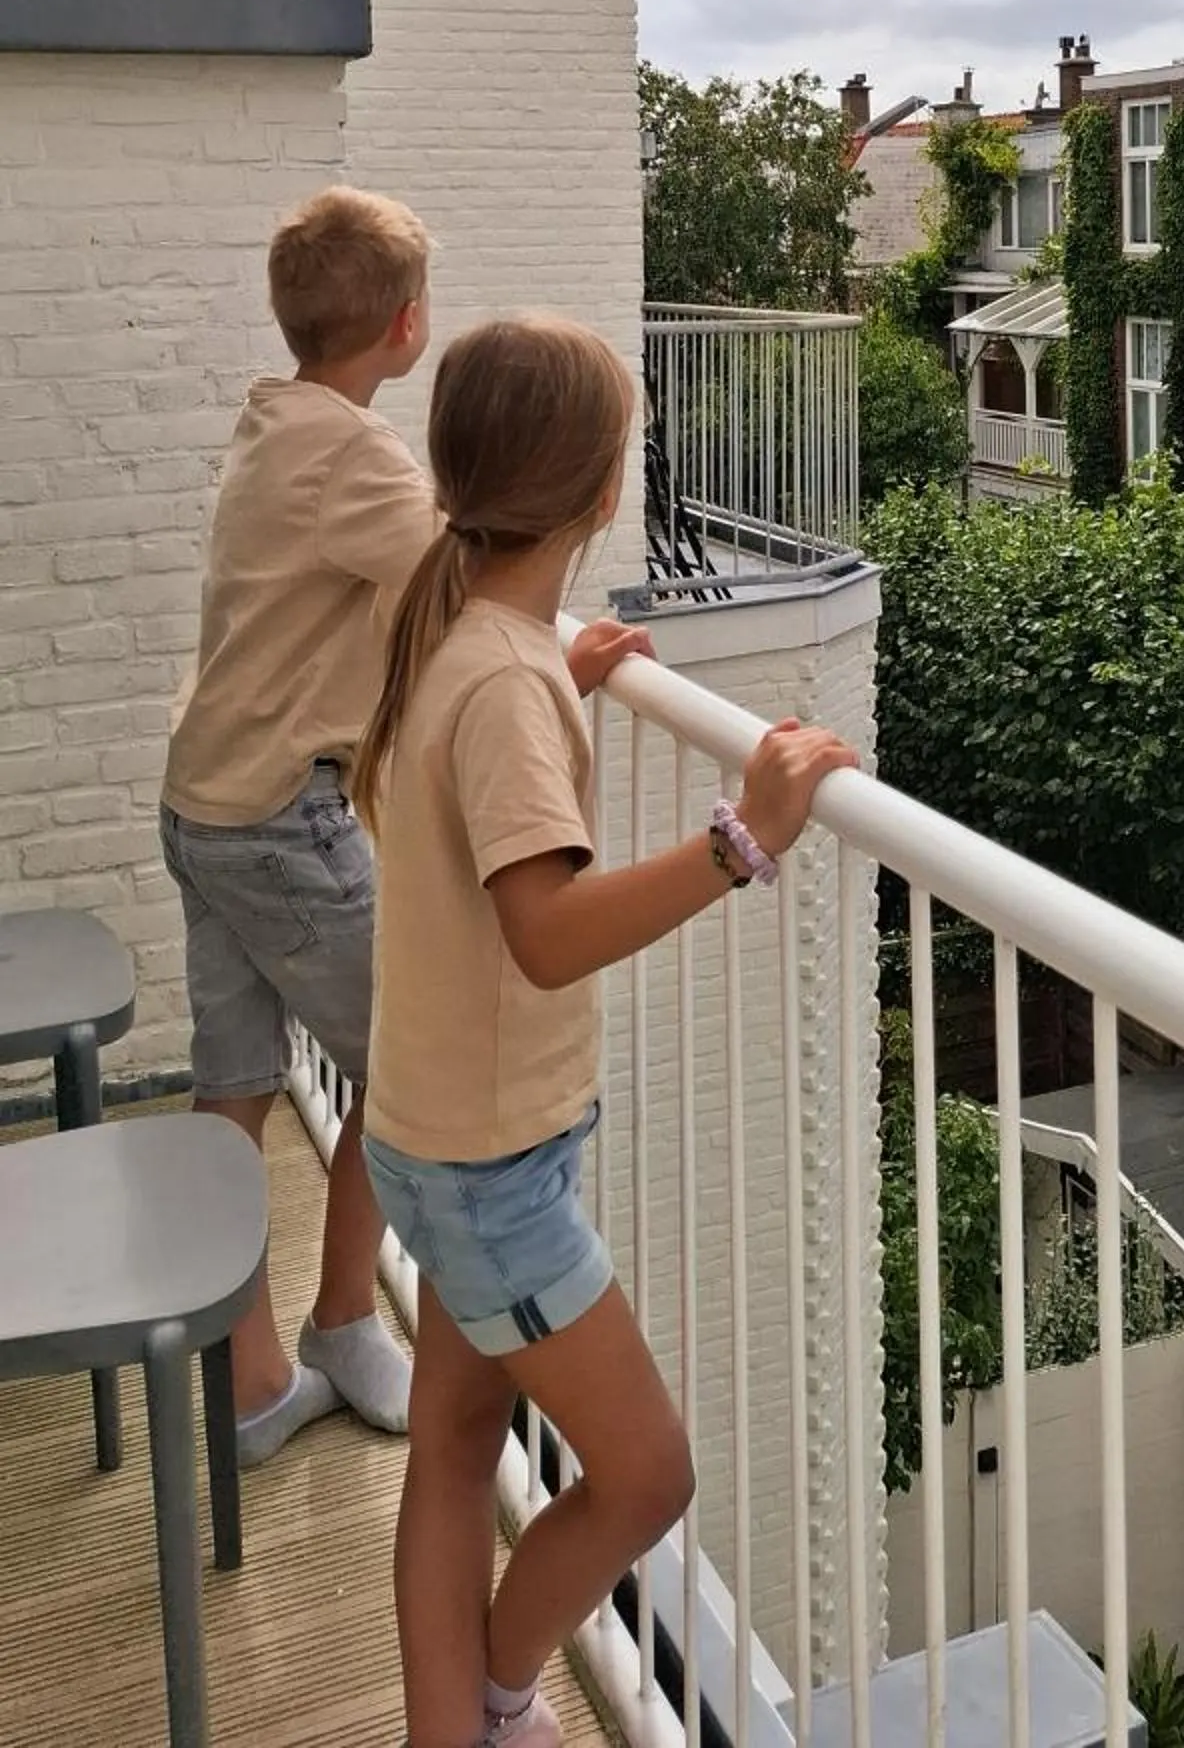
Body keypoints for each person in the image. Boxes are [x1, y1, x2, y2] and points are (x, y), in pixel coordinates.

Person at [353, 314, 858, 1748]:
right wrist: (741, 841)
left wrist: (556, 684)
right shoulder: (500, 672)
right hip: (492, 1174)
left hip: (429, 1138)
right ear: (593, 492)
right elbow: (546, 928)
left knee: (452, 1452)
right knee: (647, 1474)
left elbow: (449, 798)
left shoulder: (462, 633)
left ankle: (450, 1724)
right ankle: (507, 1684)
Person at [161, 186, 442, 1465]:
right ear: (404, 325)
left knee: (233, 1090)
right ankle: (338, 1321)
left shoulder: (274, 419)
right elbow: (454, 579)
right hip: (277, 816)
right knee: (410, 1069)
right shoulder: (354, 452)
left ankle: (252, 1380)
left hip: (201, 800)